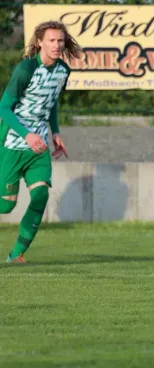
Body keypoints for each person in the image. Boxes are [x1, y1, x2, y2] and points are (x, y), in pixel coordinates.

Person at [0, 20, 81, 264]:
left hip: (38, 148)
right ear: (39, 43)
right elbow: (4, 107)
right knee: (5, 208)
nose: (57, 45)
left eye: (60, 40)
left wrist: (55, 132)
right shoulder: (25, 70)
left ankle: (17, 255)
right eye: (52, 40)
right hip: (13, 146)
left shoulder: (63, 72)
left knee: (40, 196)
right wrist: (27, 134)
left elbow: (52, 101)